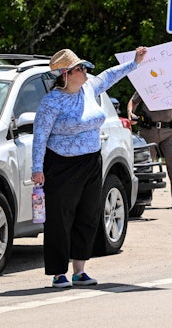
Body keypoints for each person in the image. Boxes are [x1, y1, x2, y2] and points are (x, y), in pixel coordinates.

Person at [31, 46, 147, 288]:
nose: (85, 72)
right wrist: (37, 168)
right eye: (80, 69)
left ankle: (80, 270)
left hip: (91, 161)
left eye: (84, 68)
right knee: (59, 219)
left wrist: (134, 63)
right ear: (65, 74)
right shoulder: (52, 102)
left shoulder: (88, 87)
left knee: (88, 215)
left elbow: (108, 76)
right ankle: (58, 273)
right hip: (61, 163)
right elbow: (40, 135)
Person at [127, 92, 172, 206]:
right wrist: (130, 113)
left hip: (169, 131)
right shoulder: (147, 85)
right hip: (149, 130)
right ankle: (145, 196)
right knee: (147, 165)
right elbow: (133, 101)